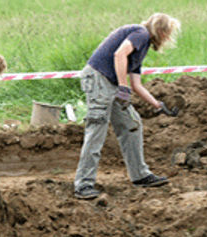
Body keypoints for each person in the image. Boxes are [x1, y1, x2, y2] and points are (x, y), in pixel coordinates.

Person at [74, 13, 181, 200]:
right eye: (168, 33)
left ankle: (140, 175)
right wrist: (122, 86)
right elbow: (119, 54)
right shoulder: (140, 33)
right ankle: (83, 184)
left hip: (111, 83)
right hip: (99, 79)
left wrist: (158, 104)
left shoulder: (142, 44)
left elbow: (136, 85)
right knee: (97, 130)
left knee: (132, 124)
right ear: (161, 31)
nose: (168, 38)